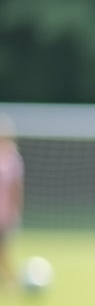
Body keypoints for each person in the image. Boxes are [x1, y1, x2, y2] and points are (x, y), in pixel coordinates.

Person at [0, 113, 23, 293]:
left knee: (3, 250)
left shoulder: (13, 159)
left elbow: (16, 188)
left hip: (5, 215)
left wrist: (16, 212)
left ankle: (12, 281)